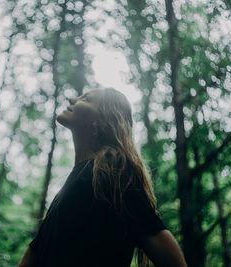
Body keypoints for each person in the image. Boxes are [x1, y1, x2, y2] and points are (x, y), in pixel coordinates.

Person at [18, 88, 188, 267]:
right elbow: (36, 250)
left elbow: (155, 235)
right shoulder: (73, 183)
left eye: (86, 98)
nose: (72, 99)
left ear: (102, 120)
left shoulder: (112, 172)